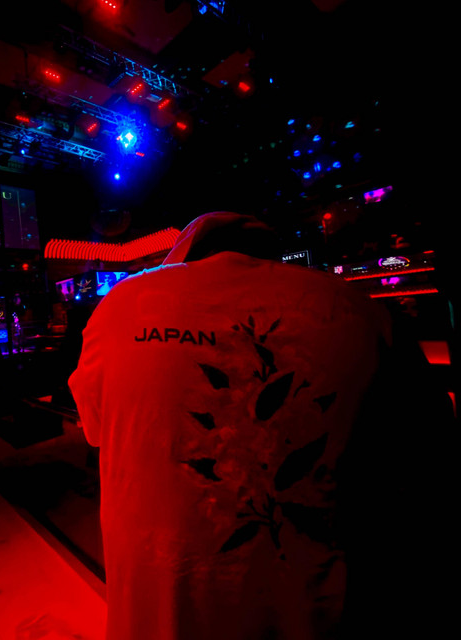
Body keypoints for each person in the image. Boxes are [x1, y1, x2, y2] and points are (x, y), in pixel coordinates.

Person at [68, 211, 454, 640]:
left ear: (181, 257)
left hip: (162, 610)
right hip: (316, 609)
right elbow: (428, 449)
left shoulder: (122, 304)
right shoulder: (360, 308)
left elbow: (96, 429)